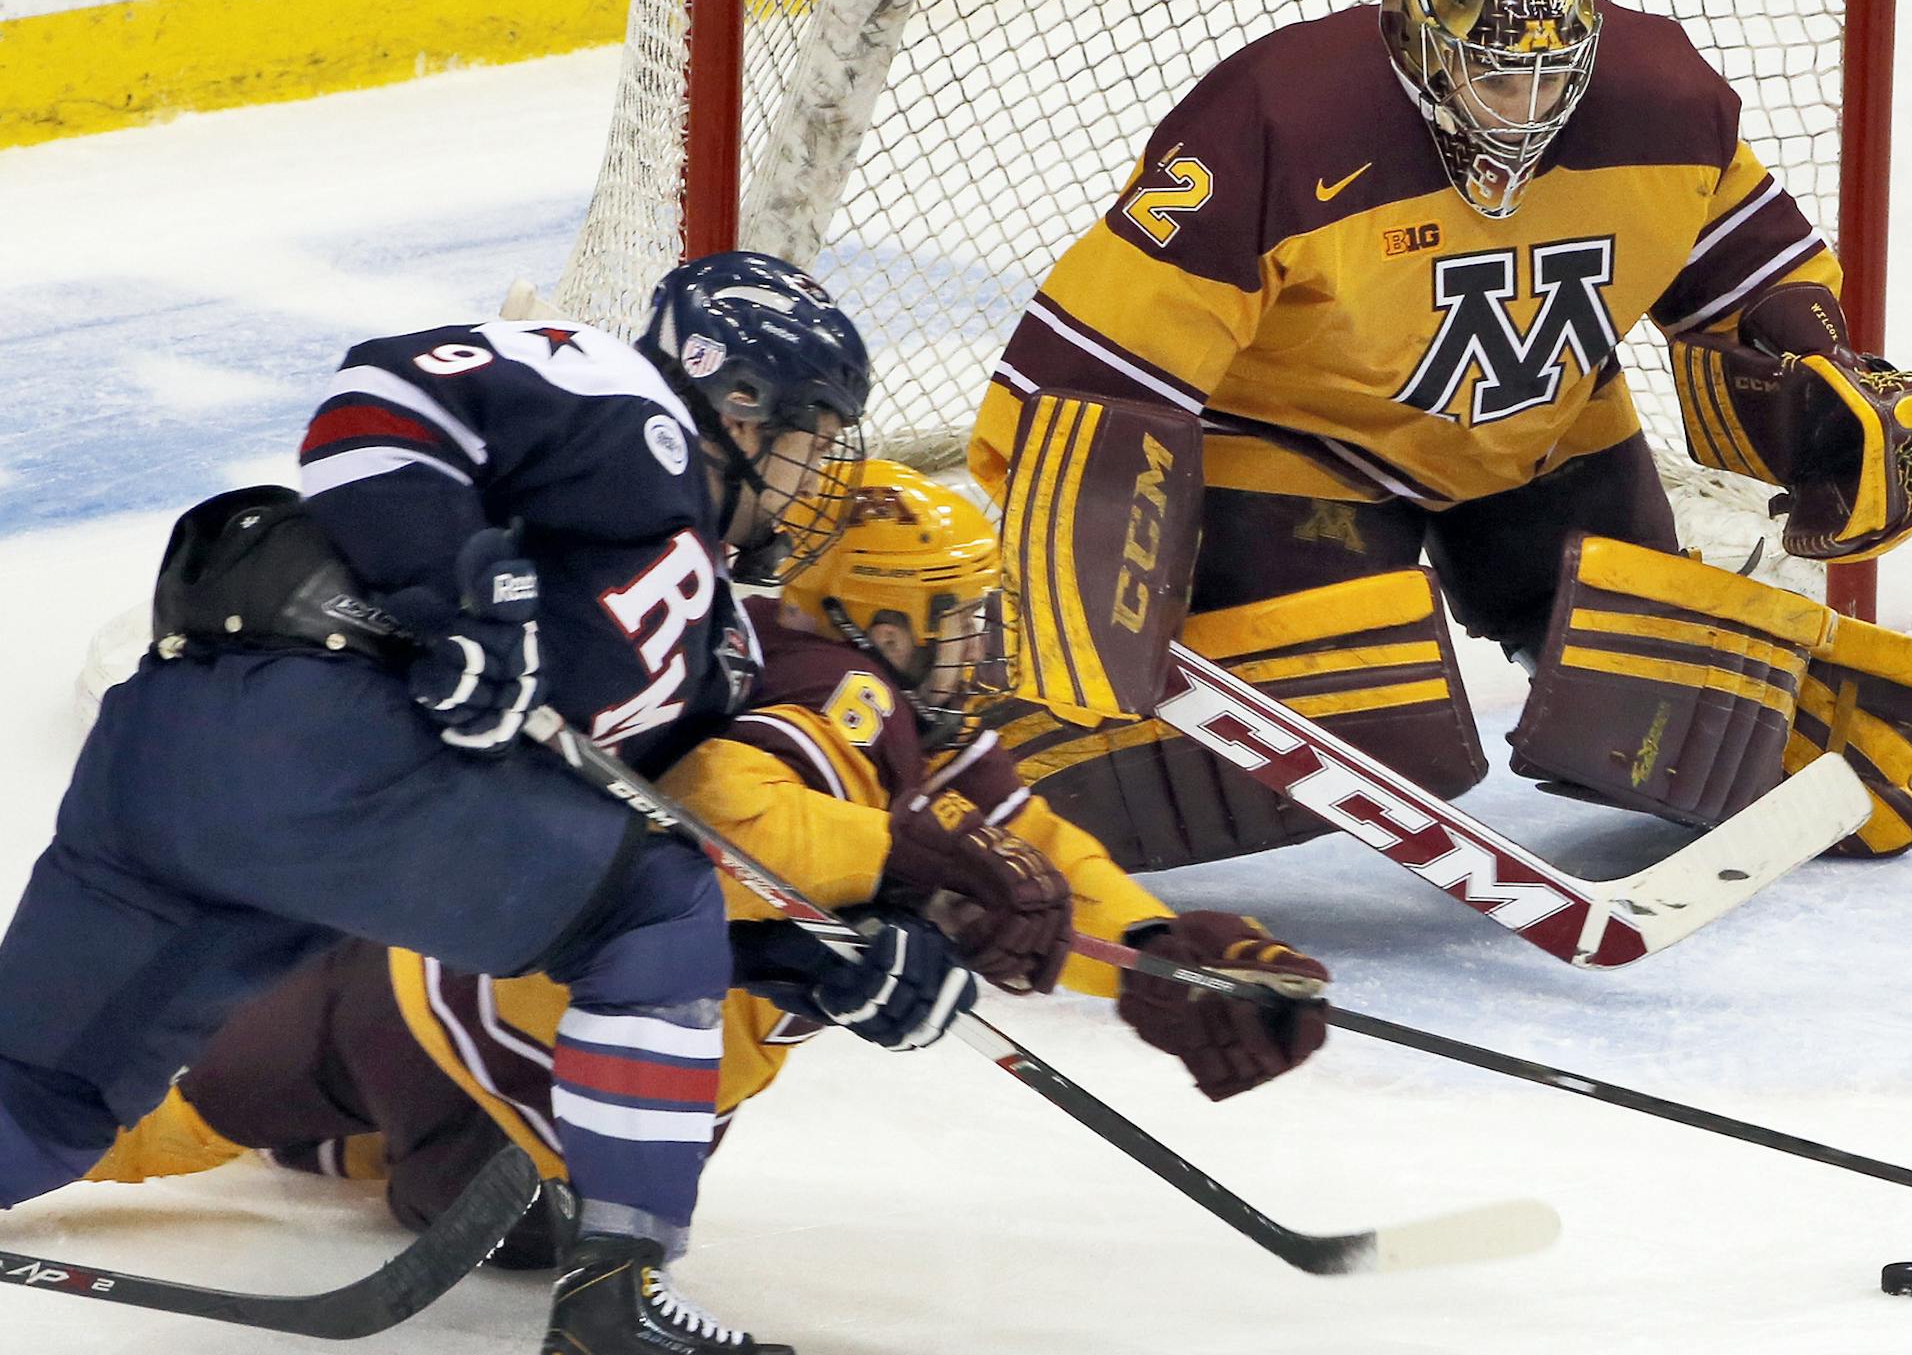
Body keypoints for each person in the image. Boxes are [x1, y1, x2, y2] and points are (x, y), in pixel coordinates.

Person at [0, 254, 1066, 1355]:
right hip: (311, 716)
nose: (818, 478)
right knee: (649, 907)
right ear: (743, 407)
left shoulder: (707, 636)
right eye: (812, 439)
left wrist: (815, 967)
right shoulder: (627, 408)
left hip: (186, 785)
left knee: (43, 1099)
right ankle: (622, 1335)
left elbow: (615, 883)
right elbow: (378, 403)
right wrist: (461, 596)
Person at [86, 462, 1335, 1267]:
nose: (976, 647)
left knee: (208, 1100)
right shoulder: (831, 697)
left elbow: (1032, 855)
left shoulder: (905, 729)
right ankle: (338, 1146)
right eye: (955, 619)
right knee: (216, 1108)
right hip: (502, 1046)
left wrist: (1156, 957)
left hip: (445, 1003)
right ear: (878, 618)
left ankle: (335, 1148)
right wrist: (893, 863)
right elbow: (721, 822)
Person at [969, 0, 1912, 875]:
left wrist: (1827, 376)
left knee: (1639, 674)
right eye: (1497, 80)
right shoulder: (1281, 120)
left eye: (1551, 79)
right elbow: (1100, 354)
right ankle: (983, 769)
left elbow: (1753, 276)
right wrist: (1084, 526)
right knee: (1374, 724)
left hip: (1544, 427)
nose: (1526, 112)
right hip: (1300, 445)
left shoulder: (1662, 103)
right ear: (1422, 48)